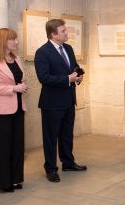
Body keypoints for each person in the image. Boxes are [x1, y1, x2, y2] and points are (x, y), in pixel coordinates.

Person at [34, 18, 87, 183]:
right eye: (63, 31)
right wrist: (67, 79)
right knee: (51, 137)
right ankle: (51, 168)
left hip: (69, 100)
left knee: (66, 134)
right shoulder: (42, 52)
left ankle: (68, 163)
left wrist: (77, 77)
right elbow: (44, 78)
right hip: (52, 103)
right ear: (53, 34)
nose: (67, 33)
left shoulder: (69, 48)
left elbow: (74, 68)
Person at [0, 28, 28, 192]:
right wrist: (13, 89)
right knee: (4, 147)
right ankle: (4, 183)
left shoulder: (16, 59)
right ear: (4, 41)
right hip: (2, 110)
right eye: (13, 39)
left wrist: (22, 86)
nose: (17, 42)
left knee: (18, 145)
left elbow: (19, 79)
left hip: (19, 107)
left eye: (16, 39)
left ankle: (16, 178)